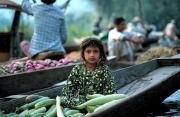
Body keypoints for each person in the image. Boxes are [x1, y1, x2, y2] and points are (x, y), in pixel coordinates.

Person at [60, 37, 117, 108]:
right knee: (63, 100)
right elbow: (66, 93)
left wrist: (100, 103)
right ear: (83, 53)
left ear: (100, 53)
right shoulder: (77, 69)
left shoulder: (104, 69)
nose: (92, 55)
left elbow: (111, 94)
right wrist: (77, 101)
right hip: (79, 104)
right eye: (88, 51)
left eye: (96, 51)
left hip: (97, 105)